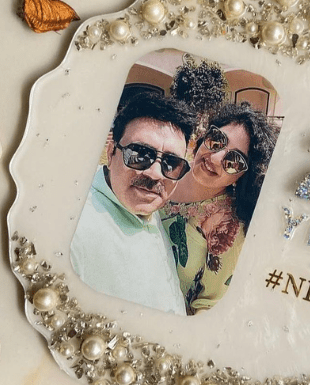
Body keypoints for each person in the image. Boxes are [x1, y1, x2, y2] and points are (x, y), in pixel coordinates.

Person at [70, 91, 196, 315]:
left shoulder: (150, 210)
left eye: (171, 163)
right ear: (111, 152)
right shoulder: (73, 229)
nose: (155, 173)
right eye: (139, 154)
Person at [161, 102, 278, 315]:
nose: (215, 158)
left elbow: (208, 306)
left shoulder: (227, 225)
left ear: (243, 176)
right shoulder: (162, 166)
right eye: (217, 140)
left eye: (234, 161)